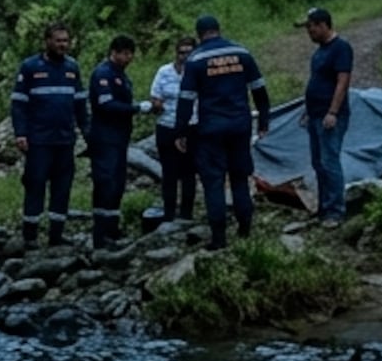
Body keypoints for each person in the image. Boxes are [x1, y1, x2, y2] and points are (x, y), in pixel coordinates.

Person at [174, 15, 270, 251]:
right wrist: (264, 121)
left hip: (211, 130)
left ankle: (219, 239)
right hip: (240, 125)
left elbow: (186, 99)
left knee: (213, 181)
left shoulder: (196, 59)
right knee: (239, 178)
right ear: (218, 30)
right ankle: (245, 231)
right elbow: (259, 89)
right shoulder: (242, 52)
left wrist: (181, 131)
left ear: (199, 35)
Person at [11, 22, 90, 248]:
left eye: (66, 40)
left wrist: (87, 133)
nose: (63, 45)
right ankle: (30, 237)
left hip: (64, 141)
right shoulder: (30, 67)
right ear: (47, 41)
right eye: (58, 40)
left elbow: (80, 105)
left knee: (62, 188)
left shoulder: (72, 68)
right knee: (35, 185)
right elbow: (18, 105)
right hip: (38, 141)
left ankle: (56, 236)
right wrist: (20, 133)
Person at [87, 35, 158, 249]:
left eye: (131, 54)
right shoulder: (103, 74)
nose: (129, 58)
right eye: (125, 53)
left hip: (119, 139)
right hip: (104, 138)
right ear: (114, 52)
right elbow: (107, 105)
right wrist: (138, 108)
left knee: (117, 184)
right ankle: (101, 233)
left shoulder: (121, 76)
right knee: (105, 183)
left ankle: (113, 228)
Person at [298, 7, 354, 227]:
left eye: (311, 28)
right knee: (318, 163)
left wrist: (333, 111)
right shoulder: (320, 51)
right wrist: (308, 110)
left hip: (330, 116)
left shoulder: (341, 48)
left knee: (330, 162)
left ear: (322, 25)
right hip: (315, 114)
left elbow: (343, 81)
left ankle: (335, 211)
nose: (309, 33)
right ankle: (323, 207)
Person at [149, 36, 198, 226]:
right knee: (168, 172)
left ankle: (186, 214)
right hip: (167, 126)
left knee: (188, 172)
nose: (184, 56)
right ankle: (169, 213)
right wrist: (157, 104)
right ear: (176, 53)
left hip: (191, 126)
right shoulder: (164, 72)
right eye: (181, 52)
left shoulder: (198, 72)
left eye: (189, 52)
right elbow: (155, 96)